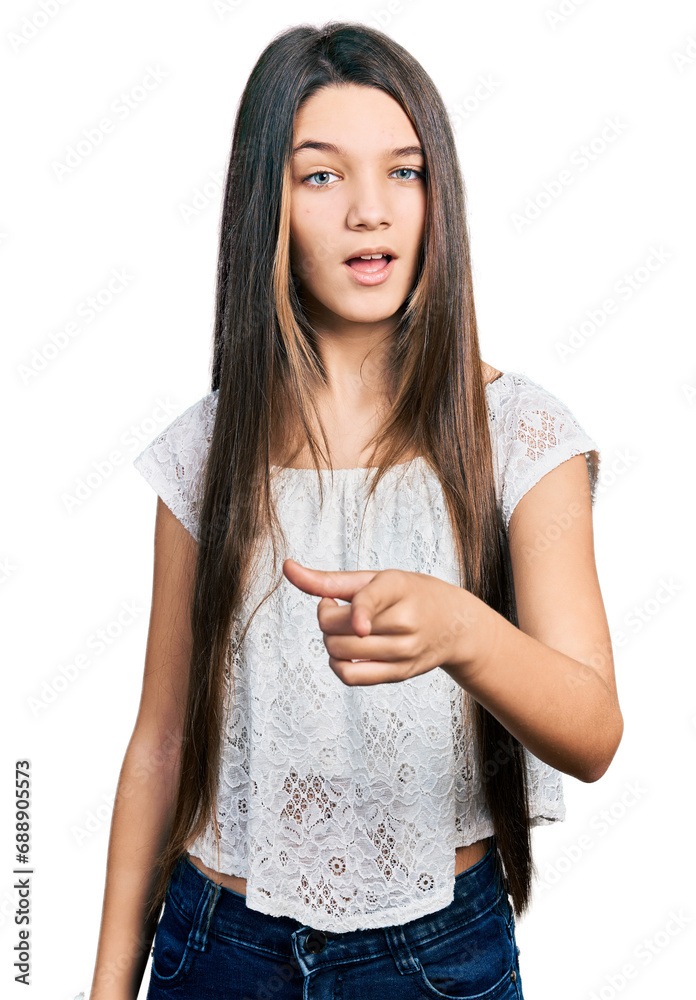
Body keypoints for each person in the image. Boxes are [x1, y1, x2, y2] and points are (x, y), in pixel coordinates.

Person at [88, 20, 623, 1000]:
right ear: (269, 207)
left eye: (405, 172)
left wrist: (465, 629)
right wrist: (102, 989)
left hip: (431, 962)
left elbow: (593, 730)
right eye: (321, 175)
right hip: (214, 949)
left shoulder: (524, 435)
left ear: (439, 197)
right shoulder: (206, 452)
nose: (370, 210)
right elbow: (160, 740)